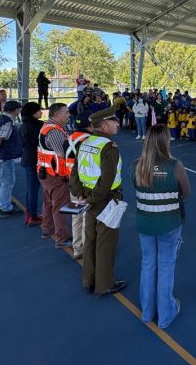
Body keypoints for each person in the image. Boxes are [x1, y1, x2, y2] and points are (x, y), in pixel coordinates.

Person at [132, 124, 191, 329]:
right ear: (165, 141)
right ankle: (166, 315)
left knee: (148, 264)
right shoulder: (175, 165)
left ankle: (147, 312)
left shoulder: (136, 165)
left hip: (144, 222)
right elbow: (187, 192)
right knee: (166, 265)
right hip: (169, 223)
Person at [69, 107, 128, 297]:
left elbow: (74, 173)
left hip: (87, 199)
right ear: (104, 125)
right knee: (105, 243)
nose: (117, 124)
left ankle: (88, 280)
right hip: (105, 200)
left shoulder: (86, 143)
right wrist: (93, 199)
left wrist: (81, 196)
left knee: (90, 240)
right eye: (114, 121)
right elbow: (107, 180)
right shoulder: (109, 147)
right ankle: (104, 284)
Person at [37, 103, 72, 248]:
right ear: (57, 115)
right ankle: (62, 237)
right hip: (55, 175)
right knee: (60, 206)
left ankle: (47, 229)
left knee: (49, 202)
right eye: (66, 113)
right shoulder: (55, 131)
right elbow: (61, 154)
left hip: (45, 172)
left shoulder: (46, 127)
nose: (68, 115)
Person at [64, 115, 94, 260]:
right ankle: (87, 249)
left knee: (76, 216)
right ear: (90, 125)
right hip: (86, 182)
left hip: (72, 181)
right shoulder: (89, 140)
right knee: (87, 217)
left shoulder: (69, 138)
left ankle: (77, 248)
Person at [19, 102, 44, 226]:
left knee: (31, 188)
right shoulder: (37, 126)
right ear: (33, 113)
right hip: (36, 159)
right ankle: (33, 216)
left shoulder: (24, 125)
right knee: (34, 189)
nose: (41, 112)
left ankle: (30, 214)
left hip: (27, 158)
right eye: (39, 110)